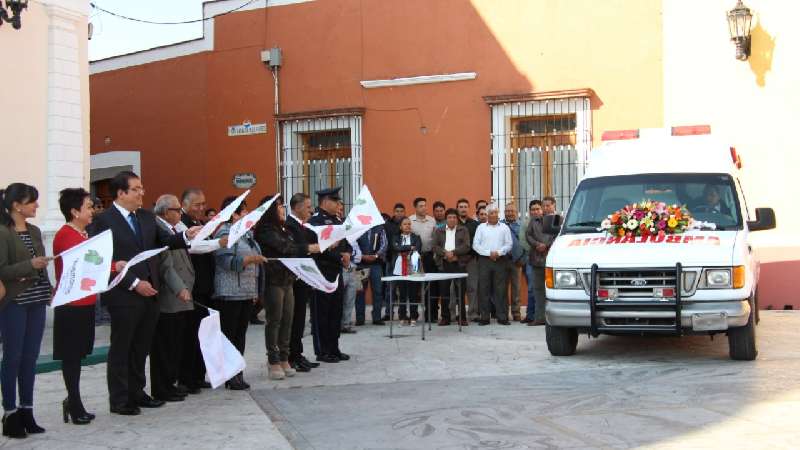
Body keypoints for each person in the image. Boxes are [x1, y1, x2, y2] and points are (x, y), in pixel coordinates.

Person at [90, 171, 199, 416]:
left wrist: (186, 235)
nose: (142, 192)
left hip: (150, 292)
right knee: (122, 348)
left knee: (141, 347)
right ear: (121, 193)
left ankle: (137, 392)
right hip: (123, 293)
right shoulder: (103, 221)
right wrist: (133, 283)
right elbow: (101, 260)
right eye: (136, 188)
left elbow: (166, 241)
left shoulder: (146, 217)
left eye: (142, 187)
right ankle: (119, 399)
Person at [53, 188, 119, 425]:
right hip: (71, 303)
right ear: (74, 211)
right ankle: (74, 402)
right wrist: (113, 266)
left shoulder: (81, 234)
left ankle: (74, 401)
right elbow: (87, 263)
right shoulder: (66, 235)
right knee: (71, 356)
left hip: (86, 301)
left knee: (79, 354)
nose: (93, 211)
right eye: (88, 206)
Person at [0, 183, 53, 438]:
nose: (36, 206)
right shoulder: (2, 232)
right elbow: (3, 271)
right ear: (16, 205)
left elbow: (40, 267)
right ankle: (10, 413)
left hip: (37, 299)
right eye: (32, 201)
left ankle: (27, 410)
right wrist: (28, 266)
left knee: (30, 359)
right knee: (13, 358)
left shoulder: (34, 230)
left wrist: (50, 287)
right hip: (15, 303)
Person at [150, 194, 210, 403]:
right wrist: (180, 288)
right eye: (177, 209)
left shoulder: (173, 229)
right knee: (165, 345)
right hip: (171, 295)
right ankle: (163, 386)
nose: (180, 213)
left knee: (176, 342)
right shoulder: (161, 229)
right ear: (167, 212)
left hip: (182, 293)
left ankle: (171, 383)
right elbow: (166, 264)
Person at [213, 196, 266, 389]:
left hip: (245, 291)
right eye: (243, 211)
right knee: (230, 335)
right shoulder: (225, 233)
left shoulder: (246, 234)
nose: (246, 214)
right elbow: (225, 261)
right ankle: (229, 375)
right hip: (230, 292)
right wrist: (250, 260)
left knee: (240, 335)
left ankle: (237, 373)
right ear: (233, 214)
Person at [255, 195, 308, 380]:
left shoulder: (283, 228)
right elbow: (286, 247)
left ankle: (284, 357)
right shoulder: (265, 230)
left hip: (287, 279)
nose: (282, 209)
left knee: (288, 319)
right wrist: (310, 248)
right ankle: (273, 360)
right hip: (273, 280)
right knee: (275, 320)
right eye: (278, 206)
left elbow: (292, 245)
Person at [308, 187, 353, 363]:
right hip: (322, 272)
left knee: (336, 311)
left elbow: (346, 240)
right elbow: (317, 247)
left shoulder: (337, 220)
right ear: (326, 202)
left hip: (336, 271)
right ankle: (322, 350)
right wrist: (339, 256)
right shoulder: (316, 221)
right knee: (322, 312)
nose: (339, 204)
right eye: (336, 201)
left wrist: (347, 253)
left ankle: (334, 347)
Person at [178, 188, 215, 393]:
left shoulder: (200, 223)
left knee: (203, 334)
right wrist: (218, 242)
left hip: (205, 287)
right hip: (191, 288)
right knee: (189, 335)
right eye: (197, 205)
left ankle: (199, 375)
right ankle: (186, 378)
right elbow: (194, 246)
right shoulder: (181, 224)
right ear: (184, 204)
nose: (201, 208)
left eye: (203, 204)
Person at [283, 193, 321, 373]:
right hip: (294, 277)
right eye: (307, 207)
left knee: (300, 319)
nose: (310, 210)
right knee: (295, 319)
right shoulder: (289, 226)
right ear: (297, 207)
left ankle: (297, 354)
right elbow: (294, 250)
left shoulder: (302, 226)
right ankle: (292, 356)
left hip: (303, 276)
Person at [473, 204, 513, 325]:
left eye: (495, 212)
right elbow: (476, 244)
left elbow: (509, 244)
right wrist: (489, 253)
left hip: (500, 260)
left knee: (501, 289)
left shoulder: (504, 227)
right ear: (487, 215)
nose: (493, 215)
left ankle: (502, 317)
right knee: (484, 289)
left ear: (498, 214)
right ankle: (484, 317)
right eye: (491, 213)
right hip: (484, 260)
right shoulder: (481, 227)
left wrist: (498, 253)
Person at [431, 208, 471, 326]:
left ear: (457, 219)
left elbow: (467, 246)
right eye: (449, 217)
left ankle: (462, 318)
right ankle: (445, 318)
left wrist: (453, 253)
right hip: (444, 263)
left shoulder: (463, 230)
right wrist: (445, 254)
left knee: (460, 291)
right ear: (446, 219)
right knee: (444, 292)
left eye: (454, 217)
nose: (452, 219)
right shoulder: (439, 230)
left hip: (458, 263)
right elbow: (434, 246)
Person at [526, 196, 557, 326]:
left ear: (554, 205)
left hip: (552, 260)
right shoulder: (534, 221)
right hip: (536, 259)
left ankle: (553, 318)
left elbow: (558, 235)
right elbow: (528, 235)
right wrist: (537, 244)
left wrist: (546, 245)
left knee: (552, 291)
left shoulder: (558, 220)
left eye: (548, 205)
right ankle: (539, 318)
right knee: (538, 290)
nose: (545, 208)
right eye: (544, 205)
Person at [391, 217, 423, 326]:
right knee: (402, 294)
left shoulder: (416, 237)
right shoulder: (395, 237)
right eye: (405, 224)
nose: (408, 226)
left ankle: (414, 316)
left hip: (413, 267)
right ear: (400, 226)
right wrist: (409, 247)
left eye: (409, 224)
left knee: (413, 293)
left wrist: (404, 248)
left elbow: (417, 248)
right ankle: (402, 316)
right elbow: (396, 248)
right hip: (400, 268)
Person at [409, 197, 437, 322]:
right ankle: (414, 315)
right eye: (421, 206)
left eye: (425, 205)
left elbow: (435, 238)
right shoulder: (410, 220)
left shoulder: (432, 221)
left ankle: (431, 315)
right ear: (415, 207)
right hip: (415, 257)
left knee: (430, 285)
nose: (424, 208)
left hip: (429, 256)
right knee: (414, 286)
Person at [355, 223, 388, 325]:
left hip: (376, 264)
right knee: (360, 291)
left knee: (377, 291)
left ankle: (377, 317)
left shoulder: (380, 228)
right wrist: (362, 256)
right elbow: (353, 244)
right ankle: (360, 318)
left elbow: (384, 244)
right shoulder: (357, 228)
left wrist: (376, 255)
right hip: (361, 264)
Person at [456, 199, 481, 322]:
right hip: (456, 260)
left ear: (469, 208)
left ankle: (473, 313)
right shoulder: (452, 223)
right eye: (461, 206)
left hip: (471, 259)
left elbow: (478, 242)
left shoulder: (475, 224)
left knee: (472, 287)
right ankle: (453, 313)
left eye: (465, 206)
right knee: (454, 288)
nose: (463, 209)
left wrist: (471, 255)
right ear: (457, 209)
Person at [501, 203, 525, 321]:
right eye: (507, 211)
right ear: (504, 212)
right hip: (502, 261)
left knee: (516, 288)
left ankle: (516, 312)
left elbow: (525, 244)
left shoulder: (522, 226)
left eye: (512, 211)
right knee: (502, 288)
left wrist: (522, 259)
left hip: (517, 261)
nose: (509, 213)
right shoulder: (499, 225)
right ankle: (504, 313)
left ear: (516, 212)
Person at [520, 200, 543, 324]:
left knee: (542, 288)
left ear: (541, 209)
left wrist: (542, 249)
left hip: (545, 258)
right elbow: (523, 240)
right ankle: (530, 315)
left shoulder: (546, 222)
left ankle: (541, 315)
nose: (535, 211)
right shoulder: (525, 223)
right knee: (531, 288)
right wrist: (536, 248)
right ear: (529, 211)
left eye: (537, 209)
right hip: (531, 259)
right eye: (533, 209)